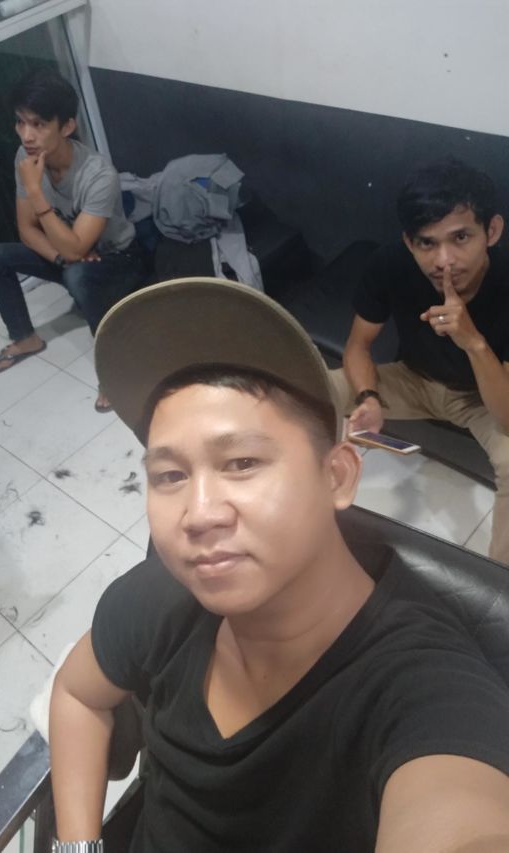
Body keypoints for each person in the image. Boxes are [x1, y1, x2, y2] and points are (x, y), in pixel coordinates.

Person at [48, 278, 509, 852]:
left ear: (337, 476)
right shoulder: (159, 596)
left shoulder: (423, 692)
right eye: (170, 475)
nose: (198, 513)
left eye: (242, 462)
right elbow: (77, 695)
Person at [330, 158, 509, 564]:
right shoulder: (390, 262)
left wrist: (473, 342)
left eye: (460, 237)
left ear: (492, 231)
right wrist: (368, 397)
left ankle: (497, 585)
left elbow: (507, 417)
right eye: (427, 243)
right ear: (410, 243)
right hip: (413, 378)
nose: (444, 260)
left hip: (481, 398)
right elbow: (358, 346)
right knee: (306, 384)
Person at [0, 68, 145, 411]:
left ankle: (114, 371)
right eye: (20, 122)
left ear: (67, 126)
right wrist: (60, 258)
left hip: (118, 258)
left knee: (78, 275)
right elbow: (27, 230)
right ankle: (25, 338)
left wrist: (35, 193)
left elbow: (76, 246)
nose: (26, 135)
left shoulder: (98, 174)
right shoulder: (25, 158)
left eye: (39, 124)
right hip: (68, 254)